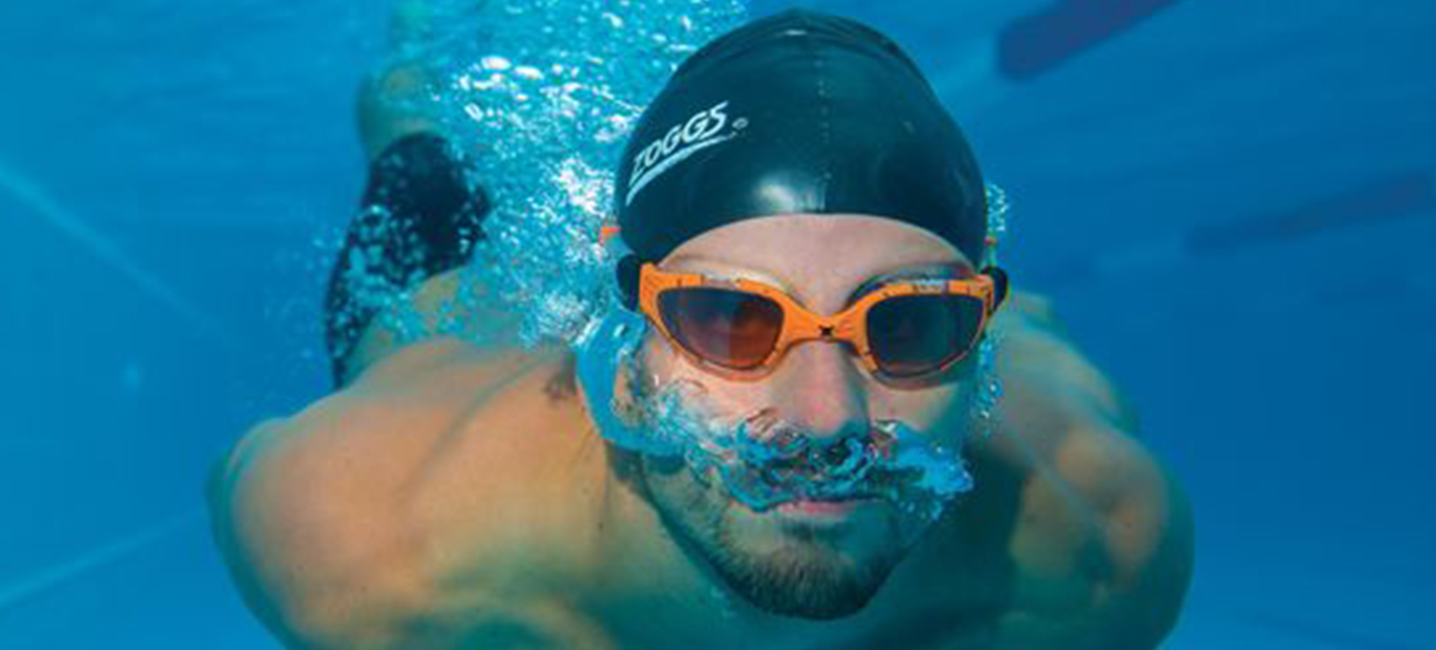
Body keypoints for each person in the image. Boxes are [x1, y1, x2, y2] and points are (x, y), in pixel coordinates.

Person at [211, 7, 1192, 649]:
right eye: (726, 316)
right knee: (411, 171)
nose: (825, 420)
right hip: (435, 330)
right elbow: (237, 476)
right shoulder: (367, 544)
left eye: (910, 322)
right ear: (624, 320)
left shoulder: (1101, 557)